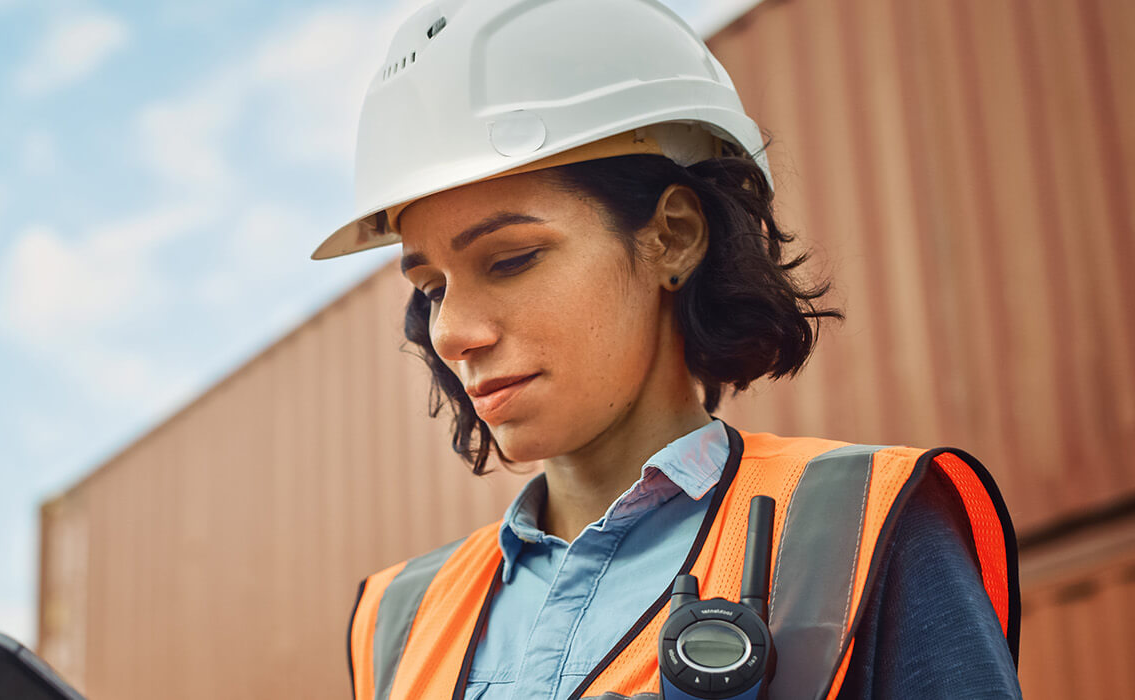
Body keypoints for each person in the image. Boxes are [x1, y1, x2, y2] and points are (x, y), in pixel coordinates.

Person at [317, 1, 1022, 699]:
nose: (451, 332)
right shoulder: (397, 621)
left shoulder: (861, 532)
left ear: (673, 237)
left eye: (511, 259)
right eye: (431, 287)